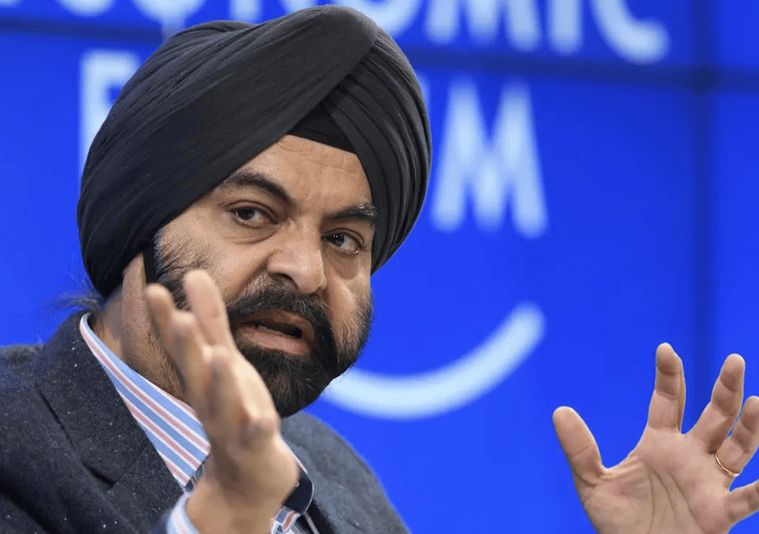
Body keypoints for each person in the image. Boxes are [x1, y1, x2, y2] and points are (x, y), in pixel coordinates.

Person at [1, 5, 758, 534]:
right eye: (252, 214)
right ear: (139, 223)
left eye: (343, 239)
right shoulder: (15, 447)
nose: (305, 270)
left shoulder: (333, 475)